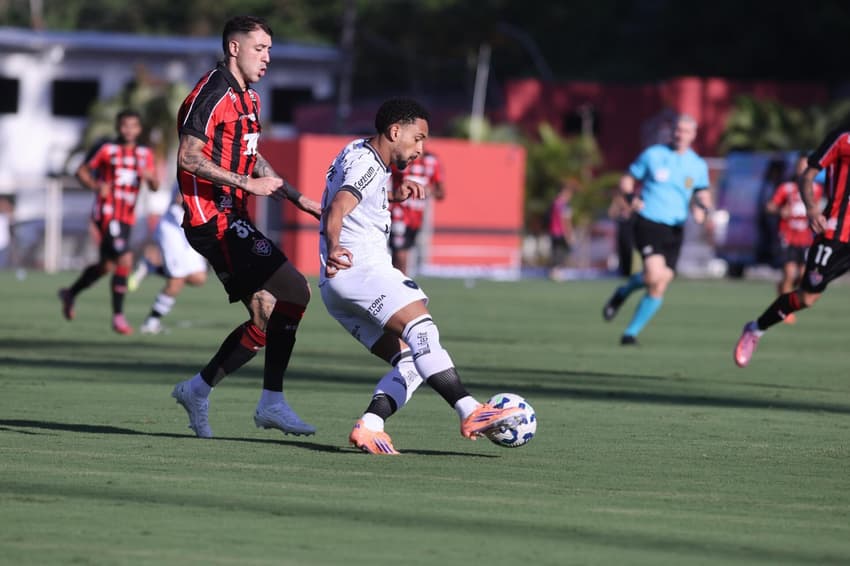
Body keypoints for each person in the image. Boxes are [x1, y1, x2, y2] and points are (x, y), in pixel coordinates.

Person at [319, 97, 524, 455]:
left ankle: (370, 425)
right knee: (423, 331)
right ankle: (470, 410)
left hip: (335, 287)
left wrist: (391, 196)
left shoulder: (357, 151)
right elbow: (338, 207)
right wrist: (335, 245)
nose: (420, 149)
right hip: (361, 270)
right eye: (418, 138)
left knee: (411, 362)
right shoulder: (368, 165)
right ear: (394, 131)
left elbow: (355, 198)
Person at [169, 15, 322, 439]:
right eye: (260, 48)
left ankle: (197, 390)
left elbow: (251, 156)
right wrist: (246, 184)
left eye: (270, 49)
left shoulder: (250, 97)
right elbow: (188, 156)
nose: (267, 57)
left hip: (232, 216)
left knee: (264, 312)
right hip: (212, 219)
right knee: (296, 290)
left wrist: (297, 198)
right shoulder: (211, 93)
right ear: (234, 48)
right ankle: (272, 402)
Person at [734, 125, 850, 367]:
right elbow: (807, 175)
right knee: (807, 298)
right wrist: (812, 209)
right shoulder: (842, 138)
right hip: (834, 234)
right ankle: (756, 329)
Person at [601, 113, 712, 345]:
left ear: (693, 135)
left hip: (675, 229)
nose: (680, 135)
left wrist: (703, 207)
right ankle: (624, 302)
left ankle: (630, 331)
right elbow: (627, 179)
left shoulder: (697, 165)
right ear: (672, 131)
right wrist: (630, 198)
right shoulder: (653, 155)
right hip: (649, 222)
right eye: (677, 130)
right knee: (653, 274)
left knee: (660, 283)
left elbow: (702, 192)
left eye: (686, 131)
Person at [58, 109, 160, 335]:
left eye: (133, 126)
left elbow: (155, 186)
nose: (128, 130)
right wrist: (96, 186)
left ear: (139, 129)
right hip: (106, 213)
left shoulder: (145, 154)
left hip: (127, 217)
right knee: (125, 258)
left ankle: (70, 293)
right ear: (118, 127)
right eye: (124, 125)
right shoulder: (107, 149)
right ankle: (118, 316)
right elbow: (81, 171)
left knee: (106, 266)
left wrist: (151, 178)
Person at [133, 186, 209, 335]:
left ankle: (151, 267)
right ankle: (151, 323)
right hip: (173, 229)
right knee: (176, 281)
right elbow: (179, 199)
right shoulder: (194, 172)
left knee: (199, 278)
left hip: (188, 228)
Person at [763, 154, 823, 325]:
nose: (803, 170)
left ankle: (782, 288)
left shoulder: (816, 189)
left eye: (806, 167)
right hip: (788, 236)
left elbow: (819, 209)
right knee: (790, 272)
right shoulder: (786, 188)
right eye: (800, 166)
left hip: (806, 237)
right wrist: (780, 211)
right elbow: (769, 206)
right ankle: (784, 311)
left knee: (803, 276)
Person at [389, 150, 445, 274]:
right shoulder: (400, 158)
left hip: (418, 217)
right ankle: (400, 283)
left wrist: (429, 190)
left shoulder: (432, 162)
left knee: (408, 254)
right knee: (399, 254)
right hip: (398, 214)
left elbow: (441, 193)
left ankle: (398, 281)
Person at [547, 180, 576, 280]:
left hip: (553, 231)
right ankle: (557, 271)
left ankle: (554, 271)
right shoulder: (564, 204)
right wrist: (569, 234)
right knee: (561, 252)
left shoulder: (555, 202)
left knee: (555, 251)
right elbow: (566, 221)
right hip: (561, 232)